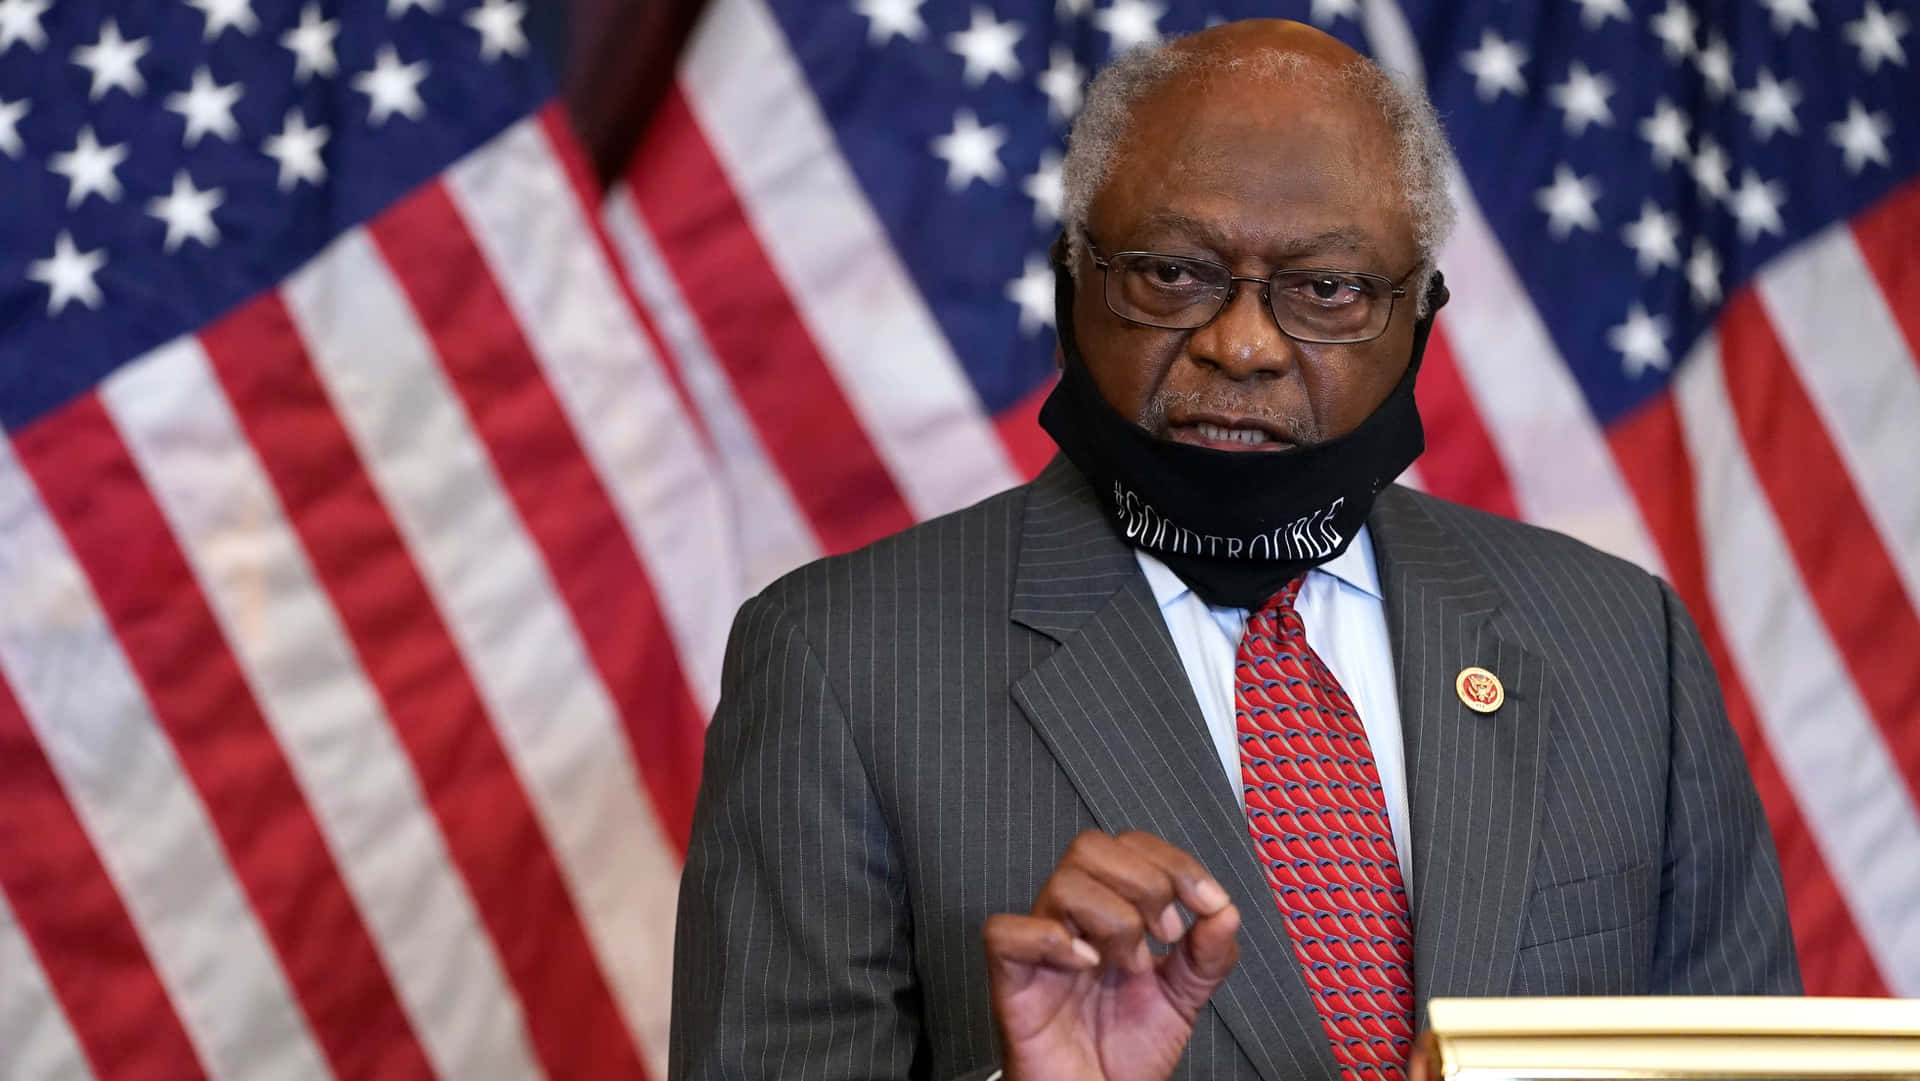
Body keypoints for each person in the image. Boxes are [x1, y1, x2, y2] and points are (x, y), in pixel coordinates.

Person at [668, 19, 1799, 1081]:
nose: (1243, 343)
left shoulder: (1622, 643)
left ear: (1420, 314)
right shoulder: (840, 663)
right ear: (1073, 279)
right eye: (1172, 273)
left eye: (1328, 289)